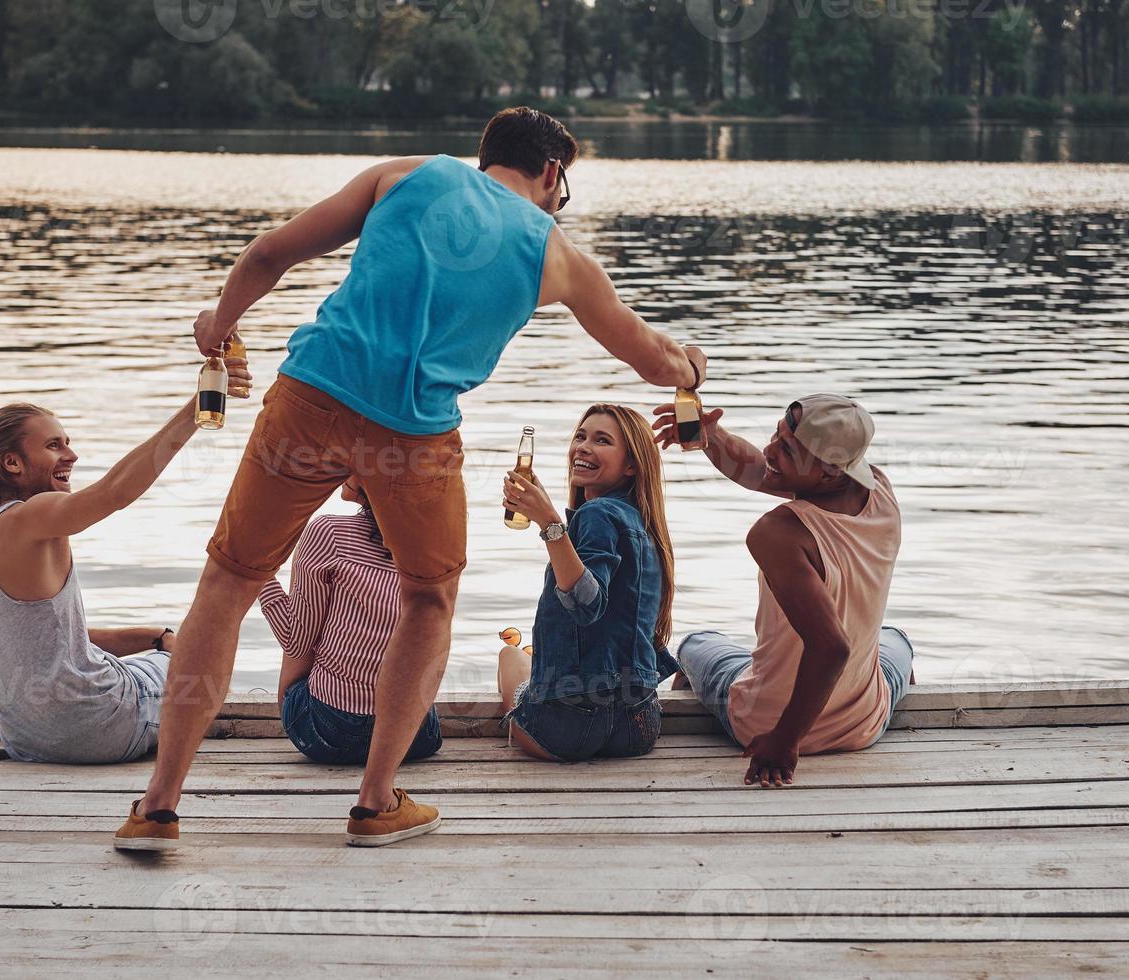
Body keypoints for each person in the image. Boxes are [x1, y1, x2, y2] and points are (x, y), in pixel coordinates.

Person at [114, 106, 706, 852]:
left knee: (228, 582)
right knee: (427, 599)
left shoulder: (404, 176)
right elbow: (652, 360)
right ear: (553, 175)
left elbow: (269, 255)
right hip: (413, 435)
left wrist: (219, 319)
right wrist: (689, 365)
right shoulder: (558, 257)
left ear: (484, 155)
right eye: (564, 191)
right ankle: (375, 800)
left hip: (310, 396)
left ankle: (158, 807)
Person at [0, 354, 253, 766]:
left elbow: (52, 639)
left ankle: (158, 660)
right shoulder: (29, 518)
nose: (71, 456)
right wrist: (197, 406)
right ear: (12, 463)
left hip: (30, 739)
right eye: (54, 446)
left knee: (164, 653)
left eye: (68, 442)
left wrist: (155, 636)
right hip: (101, 726)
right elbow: (114, 493)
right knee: (205, 656)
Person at [653, 394, 913, 789]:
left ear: (828, 473)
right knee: (894, 639)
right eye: (776, 433)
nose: (770, 449)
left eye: (787, 448)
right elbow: (763, 471)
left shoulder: (778, 533)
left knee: (694, 644)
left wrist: (783, 743)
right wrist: (712, 436)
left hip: (769, 725)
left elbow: (832, 648)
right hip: (863, 723)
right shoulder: (878, 490)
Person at [497, 404, 680, 761]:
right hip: (638, 727)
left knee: (510, 655)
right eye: (580, 436)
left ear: (631, 465)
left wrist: (550, 524)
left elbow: (586, 604)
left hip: (566, 730)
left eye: (601, 440)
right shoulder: (643, 524)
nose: (583, 446)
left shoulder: (595, 514)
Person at [259, 477, 442, 765]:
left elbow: (296, 641)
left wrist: (261, 572)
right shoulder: (440, 541)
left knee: (305, 633)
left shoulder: (328, 532)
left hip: (331, 732)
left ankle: (296, 707)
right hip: (415, 737)